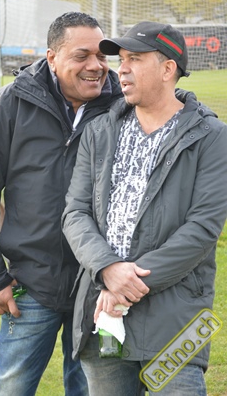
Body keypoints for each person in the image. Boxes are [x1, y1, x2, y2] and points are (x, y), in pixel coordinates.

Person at [0, 12, 122, 395]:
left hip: (99, 286)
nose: (96, 66)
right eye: (82, 56)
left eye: (102, 56)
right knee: (11, 387)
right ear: (52, 57)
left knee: (90, 388)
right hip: (32, 283)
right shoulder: (13, 102)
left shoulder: (123, 106)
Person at [62, 22, 227, 395]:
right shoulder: (99, 132)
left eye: (135, 59)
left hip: (175, 318)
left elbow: (202, 228)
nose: (121, 69)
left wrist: (125, 286)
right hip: (101, 313)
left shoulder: (211, 137)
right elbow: (75, 213)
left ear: (168, 69)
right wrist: (107, 269)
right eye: (121, 60)